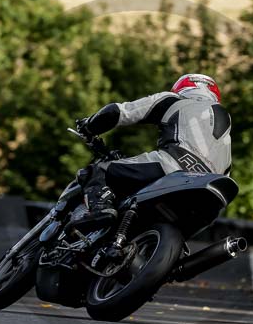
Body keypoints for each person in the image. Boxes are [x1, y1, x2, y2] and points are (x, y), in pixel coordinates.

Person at [74, 73, 231, 228]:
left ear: (182, 87)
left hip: (173, 168)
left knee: (97, 171)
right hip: (211, 195)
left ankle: (100, 209)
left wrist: (88, 125)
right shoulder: (225, 120)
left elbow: (119, 112)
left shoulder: (174, 99)